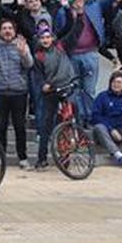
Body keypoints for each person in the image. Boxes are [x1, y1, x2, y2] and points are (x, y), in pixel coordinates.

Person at [0, 18, 34, 169]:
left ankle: (23, 158)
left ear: (14, 31)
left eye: (10, 28)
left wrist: (23, 53)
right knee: (1, 126)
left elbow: (29, 64)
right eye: (4, 28)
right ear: (0, 31)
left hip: (18, 91)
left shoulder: (21, 45)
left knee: (20, 126)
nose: (7, 31)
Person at [32, 26, 78, 170]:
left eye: (48, 37)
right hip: (51, 91)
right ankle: (42, 159)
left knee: (69, 121)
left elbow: (75, 29)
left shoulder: (61, 46)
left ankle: (67, 156)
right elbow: (37, 76)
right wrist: (43, 85)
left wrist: (79, 14)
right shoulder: (38, 55)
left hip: (67, 88)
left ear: (52, 38)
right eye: (42, 38)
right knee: (46, 125)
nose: (45, 40)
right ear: (39, 40)